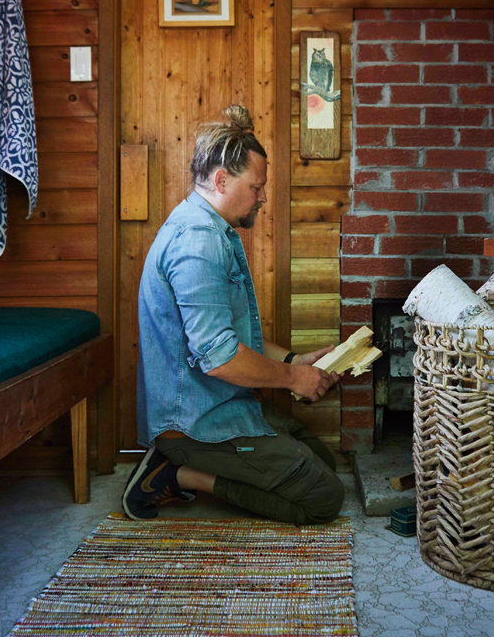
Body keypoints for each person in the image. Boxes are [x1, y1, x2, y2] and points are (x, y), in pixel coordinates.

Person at [121, 105, 345, 525]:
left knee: (321, 463)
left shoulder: (212, 228)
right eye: (256, 187)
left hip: (223, 403)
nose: (263, 197)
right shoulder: (198, 242)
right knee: (322, 496)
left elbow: (236, 336)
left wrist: (296, 361)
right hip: (194, 422)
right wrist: (295, 380)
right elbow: (221, 358)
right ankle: (177, 473)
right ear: (222, 180)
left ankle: (188, 467)